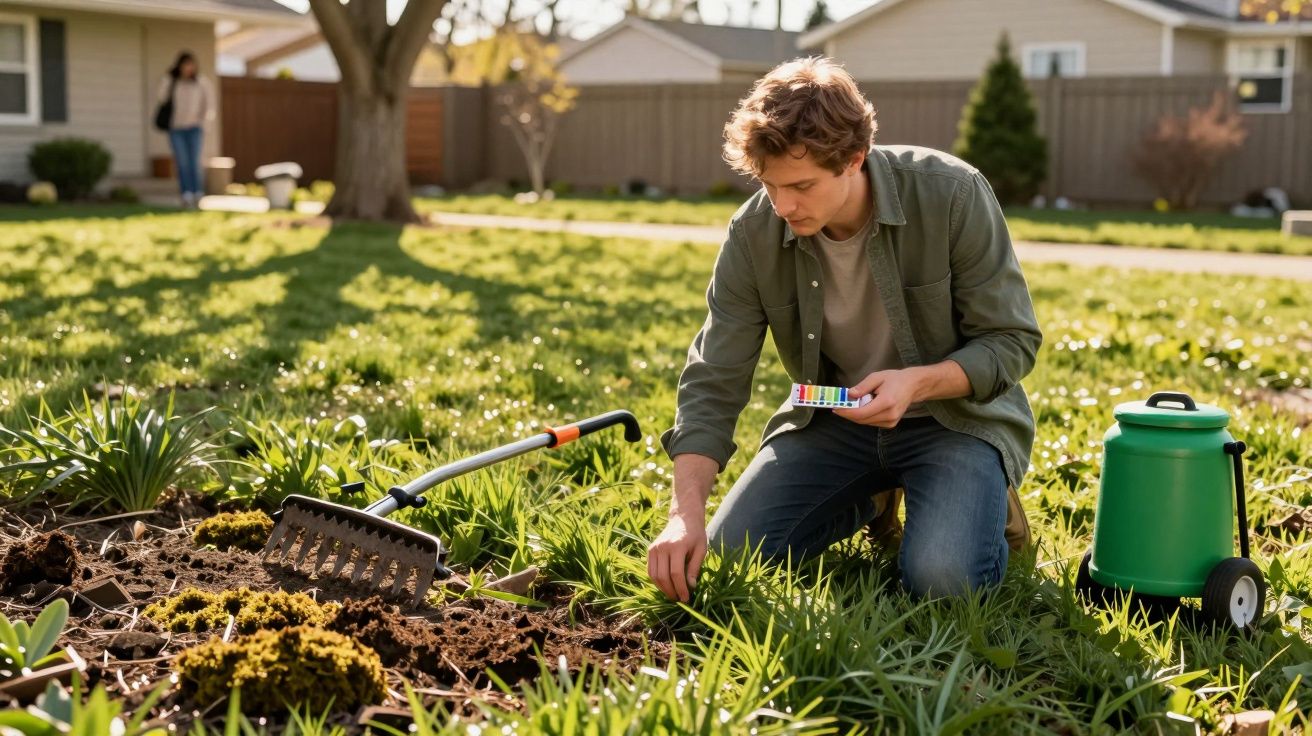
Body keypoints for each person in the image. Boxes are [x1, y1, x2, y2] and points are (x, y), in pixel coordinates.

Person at [646, 57, 1043, 603]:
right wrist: (683, 514)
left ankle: (988, 500)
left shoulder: (951, 194)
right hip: (834, 423)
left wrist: (916, 384)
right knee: (727, 563)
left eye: (802, 185)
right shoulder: (754, 232)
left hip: (953, 423)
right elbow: (715, 375)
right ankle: (873, 497)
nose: (783, 205)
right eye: (769, 184)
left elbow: (1012, 341)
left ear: (854, 159)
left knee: (942, 582)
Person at [156, 52, 214, 209]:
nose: (188, 68)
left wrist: (204, 124)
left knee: (194, 162)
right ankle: (186, 194)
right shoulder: (174, 82)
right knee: (182, 163)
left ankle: (197, 193)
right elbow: (161, 98)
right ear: (179, 66)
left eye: (191, 64)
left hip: (195, 128)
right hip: (177, 129)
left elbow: (208, 106)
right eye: (185, 64)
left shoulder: (201, 83)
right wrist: (168, 78)